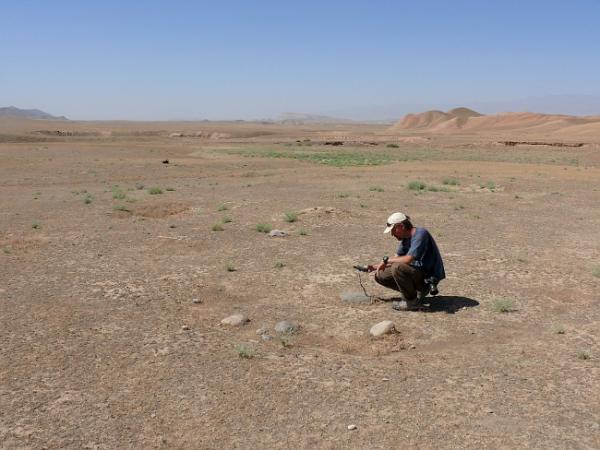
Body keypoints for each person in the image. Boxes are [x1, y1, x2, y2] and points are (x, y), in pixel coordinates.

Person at [368, 212, 445, 311]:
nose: (392, 234)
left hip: (427, 278)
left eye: (393, 230)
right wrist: (374, 267)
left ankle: (412, 302)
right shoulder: (405, 239)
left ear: (401, 226)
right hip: (416, 274)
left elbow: (408, 259)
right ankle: (411, 294)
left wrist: (386, 261)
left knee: (397, 267)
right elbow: (396, 258)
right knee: (380, 275)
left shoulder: (421, 234)